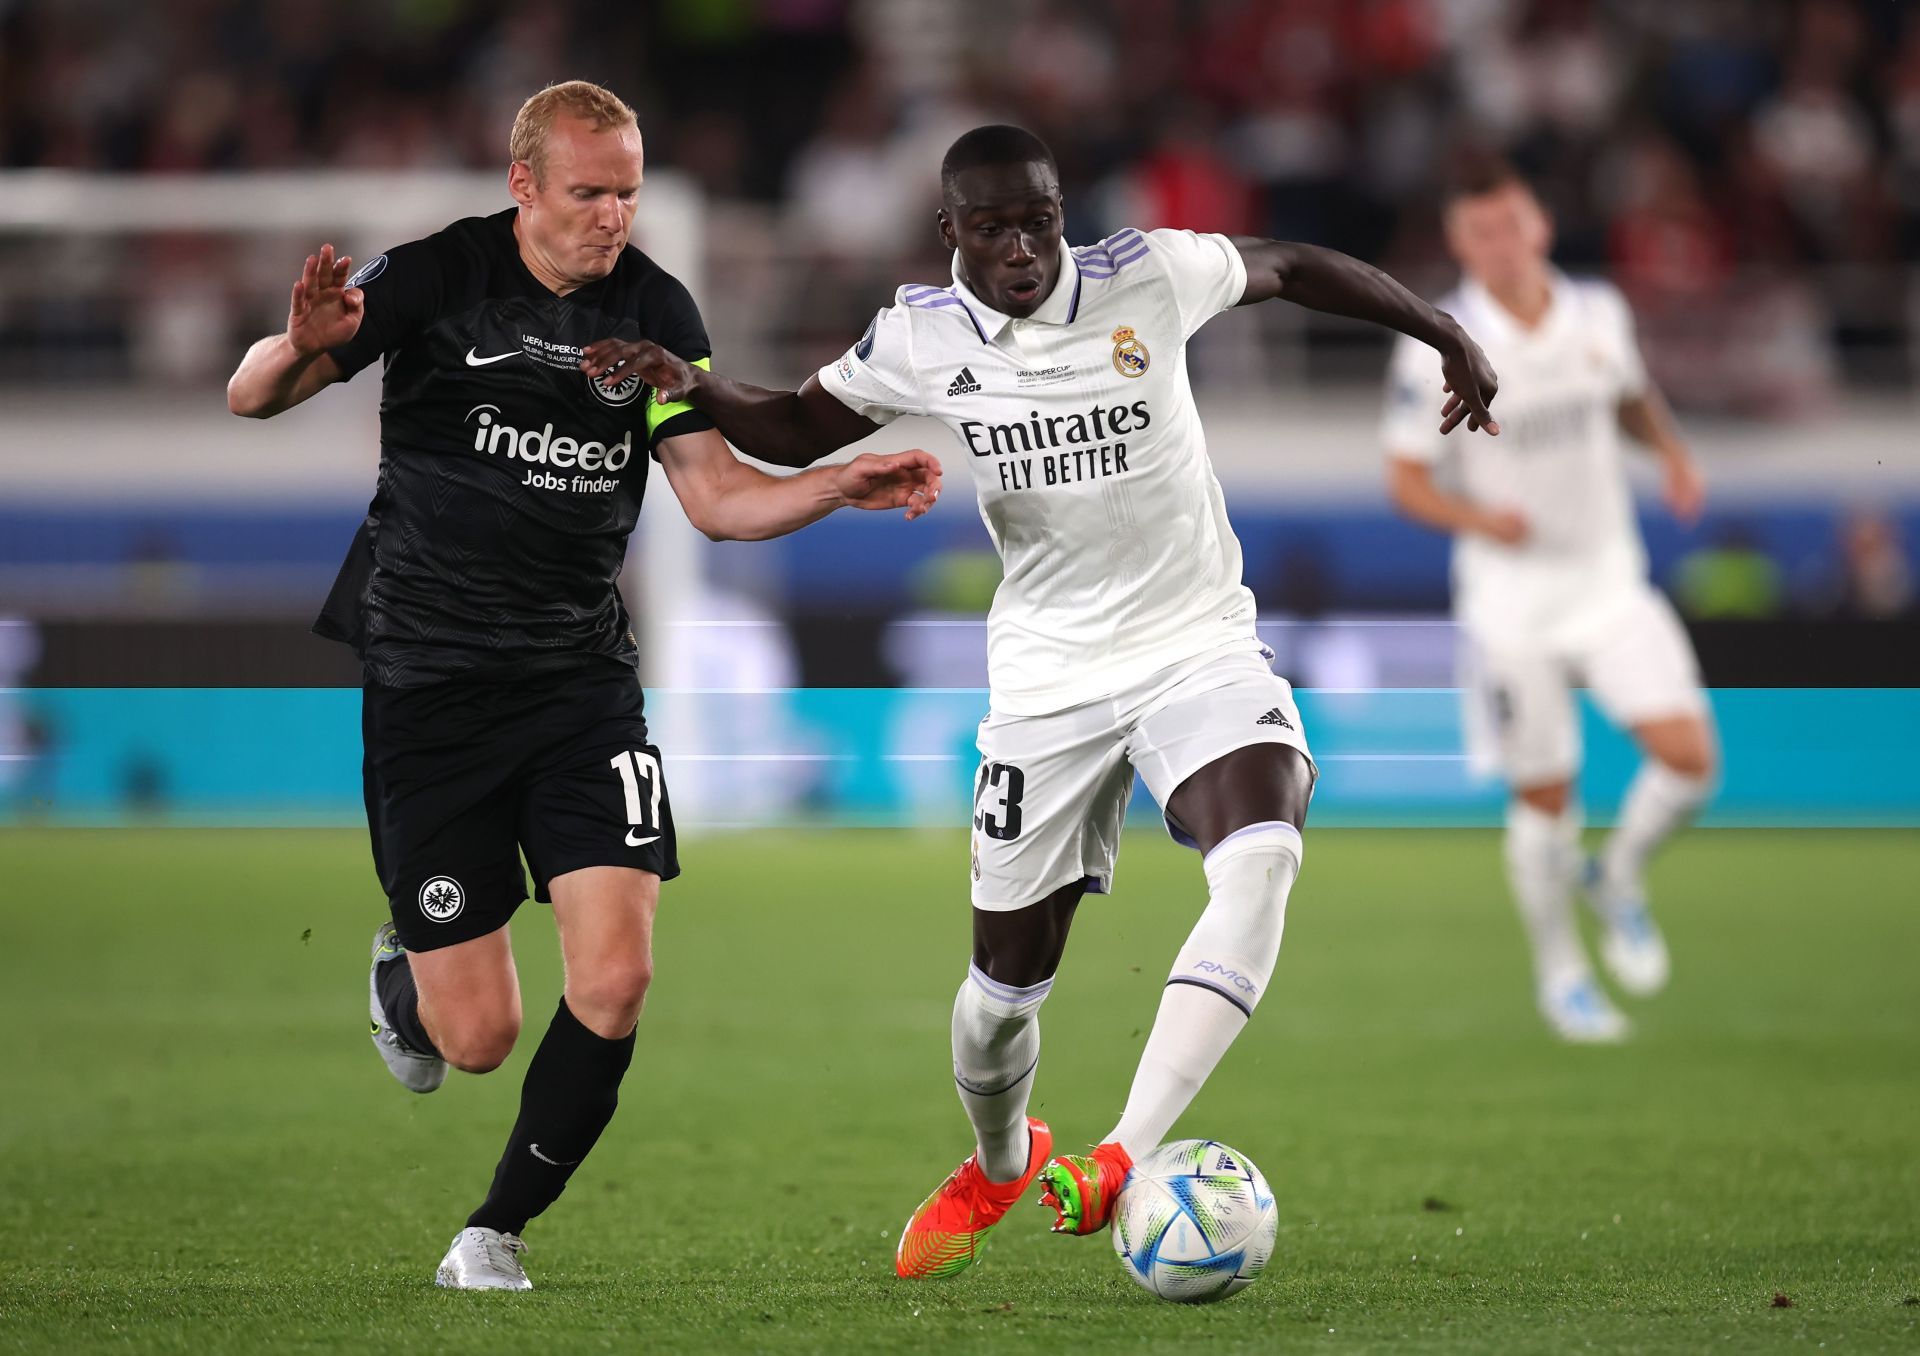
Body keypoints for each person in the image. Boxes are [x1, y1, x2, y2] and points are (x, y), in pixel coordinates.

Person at [578, 123, 1499, 1276]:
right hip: (1048, 684)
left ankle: (1124, 1152)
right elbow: (795, 426)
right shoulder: (920, 338)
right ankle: (1002, 1161)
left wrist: (1440, 327)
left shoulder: (1149, 276)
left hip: (1196, 644)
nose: (1023, 246)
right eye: (994, 226)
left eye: (1041, 219)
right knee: (999, 1000)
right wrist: (693, 384)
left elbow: (1294, 266)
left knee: (1263, 854)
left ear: (1064, 211)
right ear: (949, 231)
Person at [225, 80, 940, 1290]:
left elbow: (712, 498)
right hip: (432, 688)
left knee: (615, 974)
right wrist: (303, 338)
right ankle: (411, 968)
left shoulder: (653, 305)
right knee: (481, 1037)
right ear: (524, 187)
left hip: (579, 688)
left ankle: (491, 1231)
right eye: (589, 192)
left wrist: (835, 484)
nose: (613, 216)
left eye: (627, 191)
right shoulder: (445, 276)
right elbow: (252, 394)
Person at [1381, 156, 1716, 1044]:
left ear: (1540, 225)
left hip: (1608, 578)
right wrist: (1478, 518)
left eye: (1511, 223)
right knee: (1547, 795)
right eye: (1479, 231)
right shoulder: (1438, 343)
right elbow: (1405, 478)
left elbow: (1630, 398)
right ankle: (1563, 977)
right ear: (1459, 244)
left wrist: (1673, 454)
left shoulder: (1599, 313)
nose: (1500, 242)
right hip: (1510, 606)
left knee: (1690, 761)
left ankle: (1618, 875)